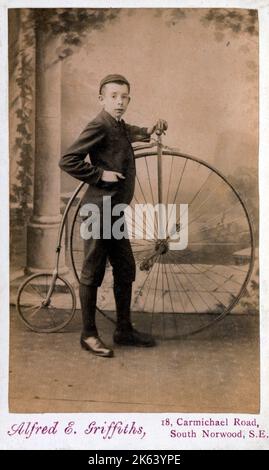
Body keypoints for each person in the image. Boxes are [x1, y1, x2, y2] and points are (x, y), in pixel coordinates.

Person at [59, 74, 167, 358]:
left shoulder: (115, 124)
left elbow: (126, 132)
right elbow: (68, 159)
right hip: (98, 209)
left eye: (124, 97)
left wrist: (149, 130)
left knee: (124, 268)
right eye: (114, 96)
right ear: (102, 99)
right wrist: (99, 174)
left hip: (115, 211)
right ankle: (89, 335)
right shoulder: (99, 124)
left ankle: (123, 329)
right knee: (92, 271)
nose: (120, 102)